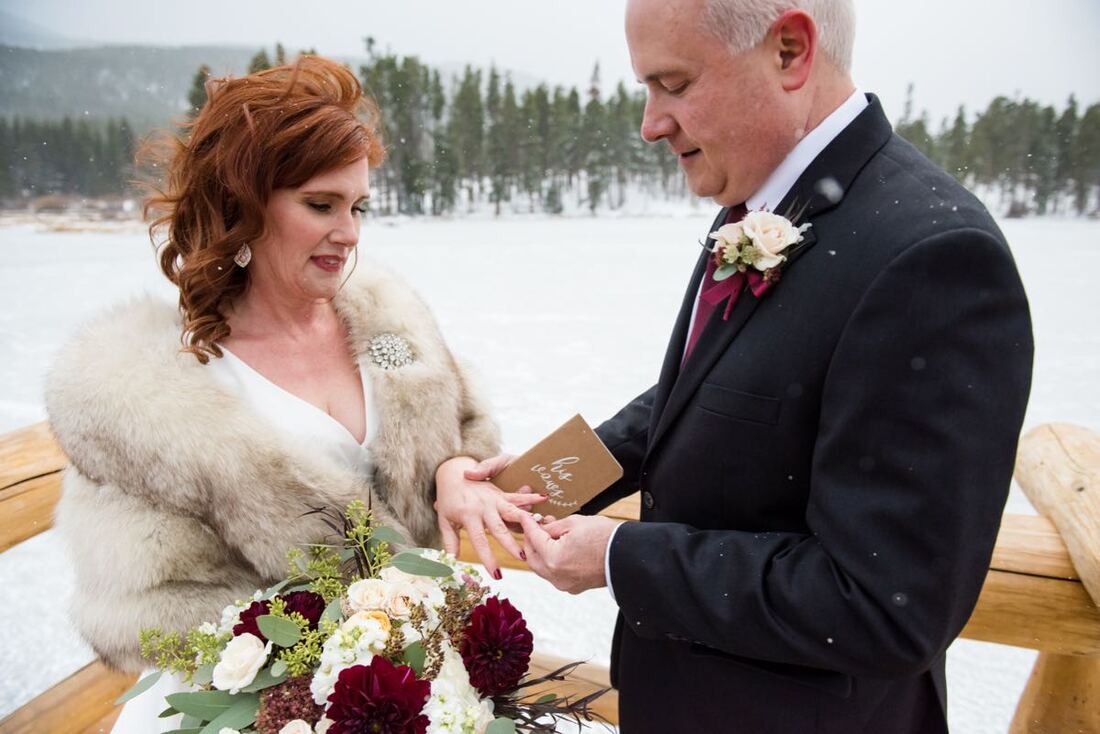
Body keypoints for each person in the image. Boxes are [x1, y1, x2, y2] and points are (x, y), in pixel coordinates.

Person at [464, 0, 1034, 731]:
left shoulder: (935, 258)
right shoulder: (764, 190)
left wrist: (622, 558)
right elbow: (723, 386)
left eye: (673, 83)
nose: (650, 122)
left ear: (791, 50)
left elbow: (884, 607)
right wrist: (546, 480)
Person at [45, 56, 537, 732]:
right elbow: (141, 604)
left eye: (358, 205)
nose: (350, 232)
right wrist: (312, 665)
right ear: (245, 208)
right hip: (238, 710)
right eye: (320, 205)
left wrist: (452, 469)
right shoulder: (161, 394)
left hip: (389, 699)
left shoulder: (388, 331)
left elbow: (452, 421)